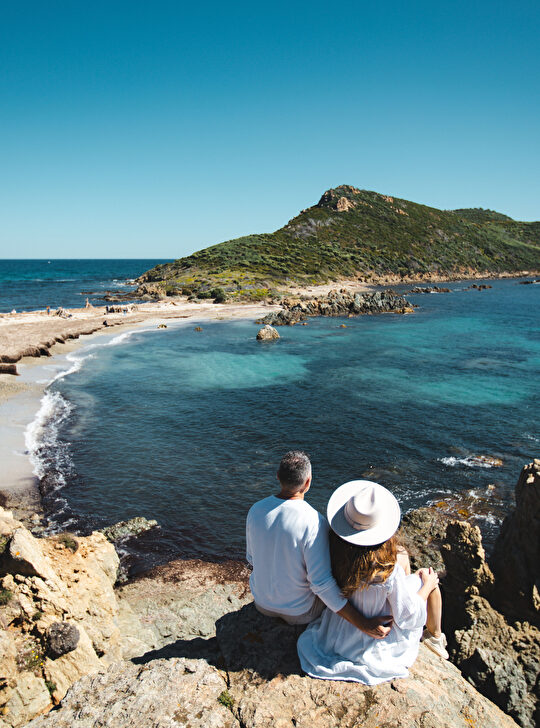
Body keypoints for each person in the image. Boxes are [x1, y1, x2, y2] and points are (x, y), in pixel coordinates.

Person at [297, 480, 448, 684]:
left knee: (403, 561)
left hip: (340, 630)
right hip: (375, 638)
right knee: (427, 578)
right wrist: (427, 585)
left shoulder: (330, 549)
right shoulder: (387, 569)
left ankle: (431, 631)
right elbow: (406, 614)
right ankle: (435, 638)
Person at [246, 452, 392, 639]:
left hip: (262, 604)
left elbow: (251, 559)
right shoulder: (314, 521)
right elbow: (321, 583)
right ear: (308, 482)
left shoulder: (255, 510)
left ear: (277, 477)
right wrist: (363, 624)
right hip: (299, 613)